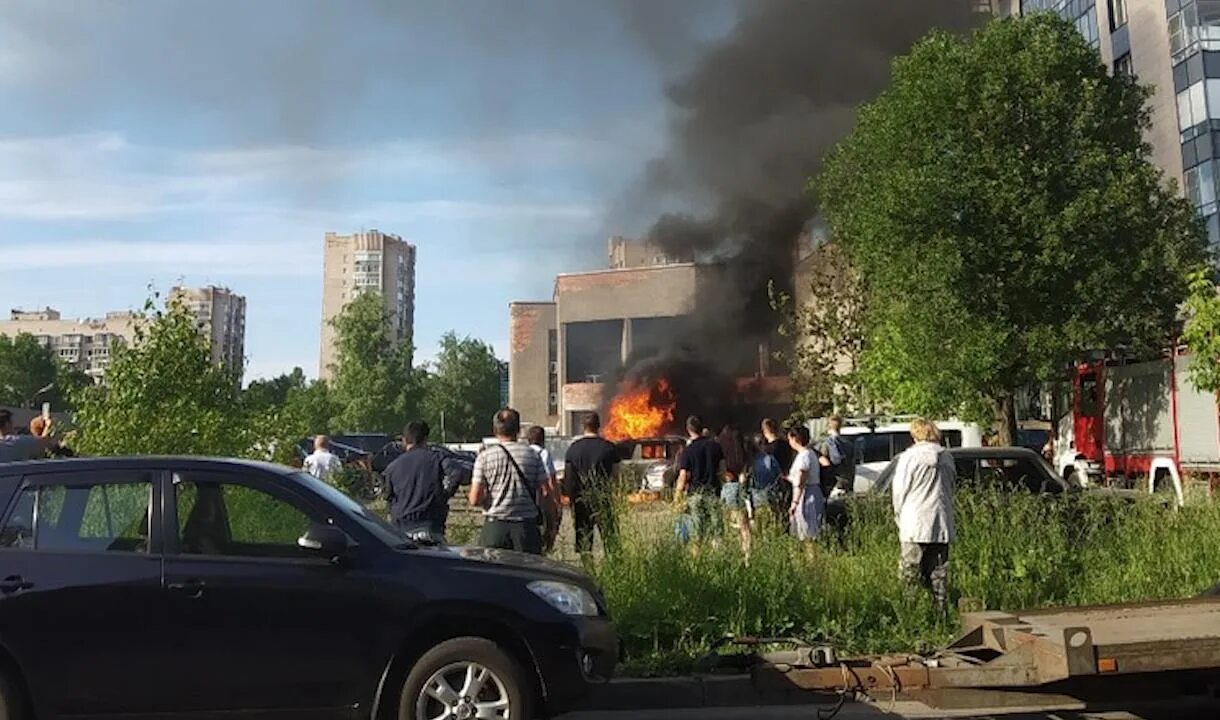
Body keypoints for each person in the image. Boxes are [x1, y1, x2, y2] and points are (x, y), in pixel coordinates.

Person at [891, 418, 956, 611]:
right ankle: (940, 610)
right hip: (940, 520)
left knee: (910, 571)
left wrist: (899, 516)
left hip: (914, 520)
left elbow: (899, 491)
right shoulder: (946, 457)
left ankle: (909, 611)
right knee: (938, 571)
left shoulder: (909, 458)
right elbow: (951, 485)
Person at [468, 408, 552, 554]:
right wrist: (550, 524)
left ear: (495, 430)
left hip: (495, 528)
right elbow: (545, 492)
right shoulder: (533, 455)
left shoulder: (484, 457)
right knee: (528, 574)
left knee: (494, 574)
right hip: (526, 528)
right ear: (518, 430)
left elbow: (475, 499)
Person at [563, 413, 621, 555]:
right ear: (599, 426)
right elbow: (616, 476)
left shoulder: (573, 449)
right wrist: (615, 495)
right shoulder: (609, 448)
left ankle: (589, 572)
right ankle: (613, 568)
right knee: (610, 540)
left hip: (581, 501)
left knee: (584, 543)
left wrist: (571, 500)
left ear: (583, 426)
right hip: (603, 499)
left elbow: (569, 479)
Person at [383, 421, 447, 542]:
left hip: (401, 529)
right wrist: (444, 495)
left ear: (404, 440)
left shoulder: (392, 467)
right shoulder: (436, 458)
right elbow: (457, 473)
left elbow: (389, 498)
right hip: (430, 525)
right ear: (426, 439)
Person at [675, 415, 726, 545]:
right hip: (713, 493)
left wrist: (677, 496)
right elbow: (722, 470)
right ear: (702, 428)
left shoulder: (687, 451)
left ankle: (697, 562)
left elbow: (683, 476)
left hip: (695, 496)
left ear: (688, 429)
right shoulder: (715, 446)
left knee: (697, 534)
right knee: (717, 531)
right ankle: (718, 559)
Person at [786, 426, 825, 543]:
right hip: (811, 491)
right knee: (807, 531)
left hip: (806, 494)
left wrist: (795, 502)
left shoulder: (804, 456)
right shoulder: (810, 453)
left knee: (808, 533)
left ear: (795, 439)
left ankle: (811, 559)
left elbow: (801, 479)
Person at [527, 425, 562, 552]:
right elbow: (550, 480)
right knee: (550, 525)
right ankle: (547, 548)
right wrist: (557, 502)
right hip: (542, 498)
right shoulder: (544, 453)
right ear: (543, 439)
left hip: (526, 499)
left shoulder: (525, 452)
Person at [717, 425, 752, 554]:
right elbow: (745, 470)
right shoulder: (743, 451)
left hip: (727, 489)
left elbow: (722, 472)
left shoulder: (722, 449)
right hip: (741, 488)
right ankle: (747, 555)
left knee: (727, 526)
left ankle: (730, 554)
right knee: (744, 526)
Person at [761, 418, 794, 527]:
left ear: (765, 431)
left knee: (772, 518)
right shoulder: (787, 445)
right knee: (785, 516)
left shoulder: (767, 450)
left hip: (771, 485)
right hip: (787, 481)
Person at [817, 416, 856, 500]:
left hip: (834, 486)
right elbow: (853, 466)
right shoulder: (848, 444)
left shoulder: (826, 444)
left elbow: (823, 465)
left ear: (828, 426)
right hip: (847, 484)